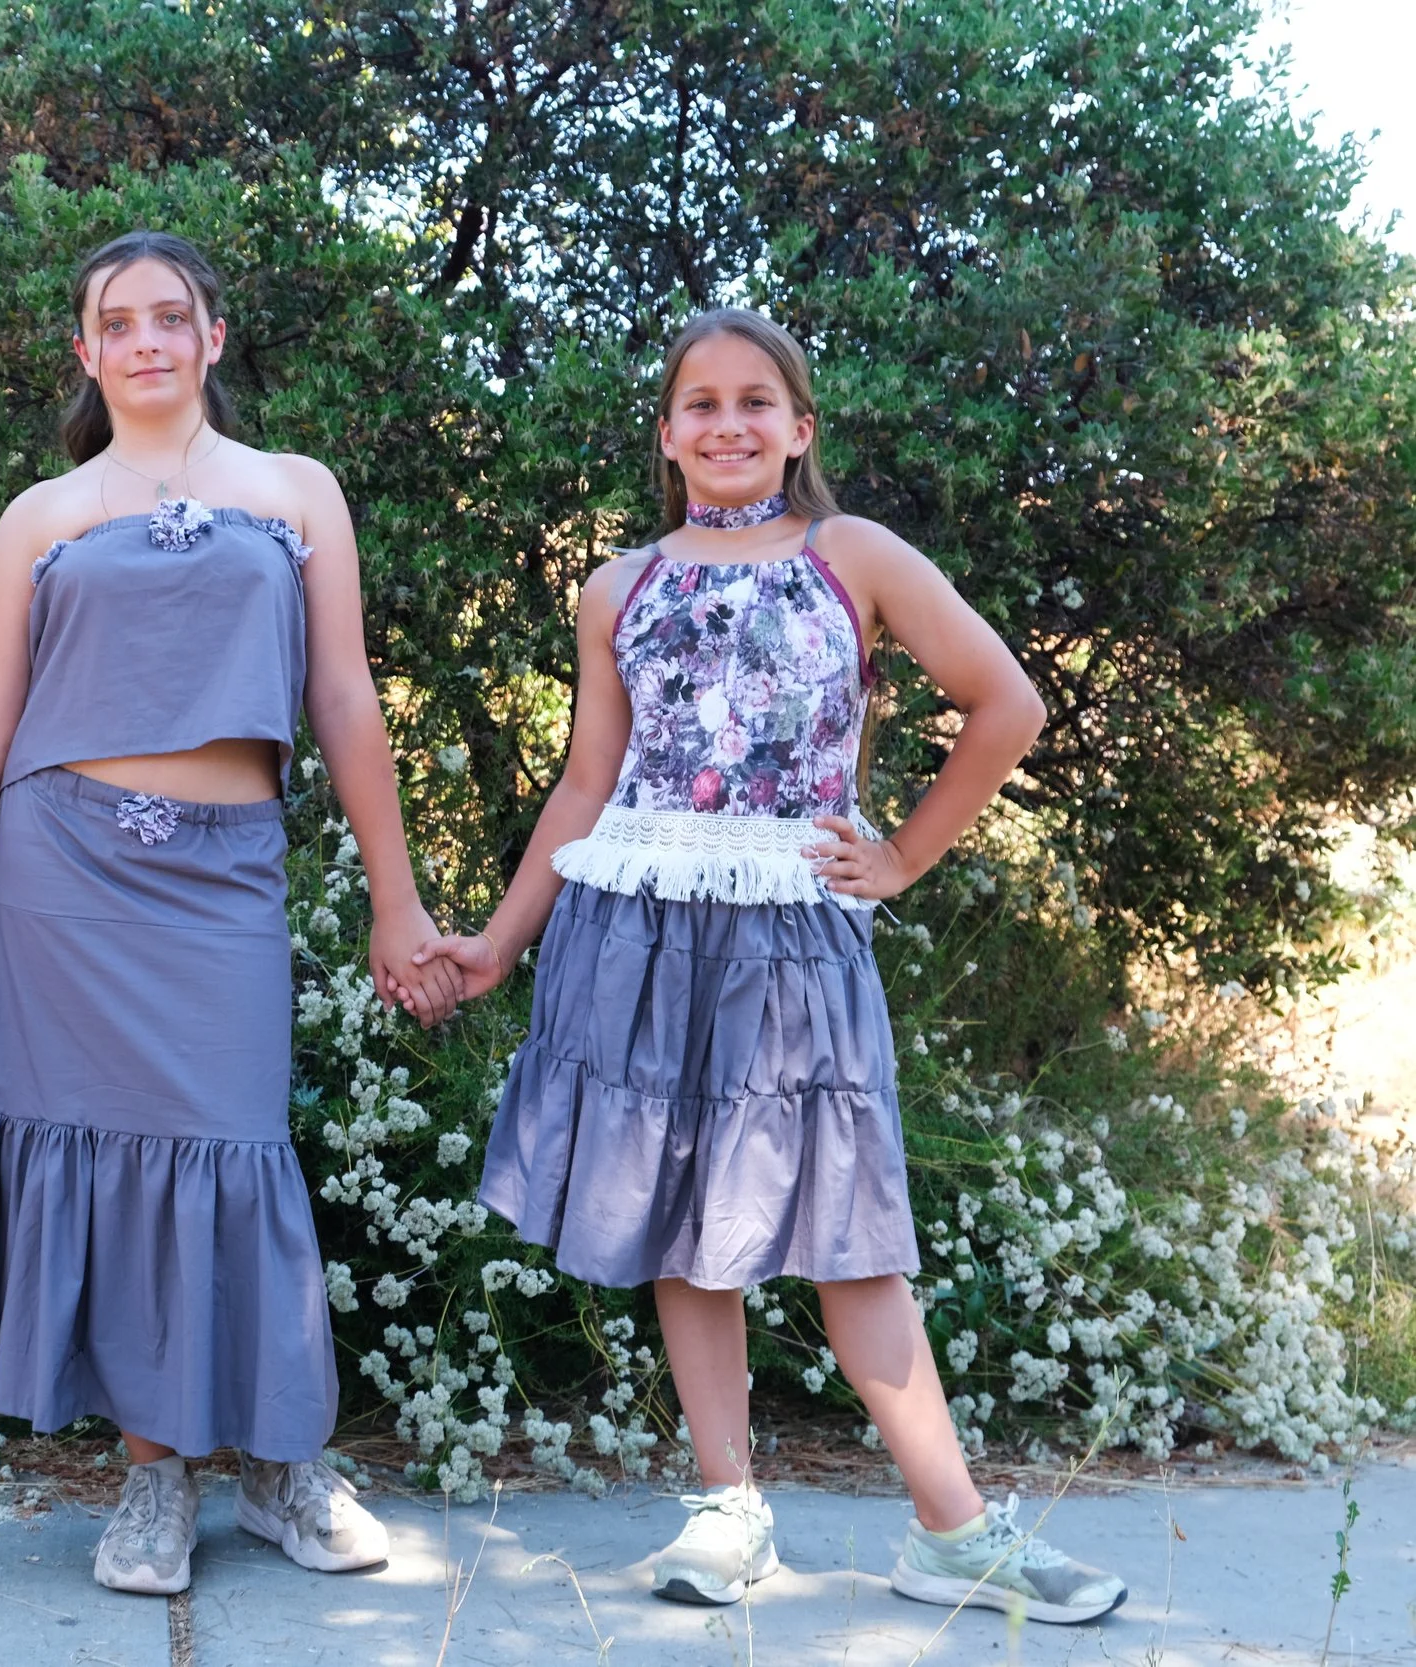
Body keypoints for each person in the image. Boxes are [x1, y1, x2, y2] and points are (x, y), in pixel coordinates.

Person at [415, 307, 1127, 1625]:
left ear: (801, 429)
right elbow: (586, 780)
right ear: (668, 434)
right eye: (701, 403)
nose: (729, 423)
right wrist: (499, 943)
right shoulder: (616, 586)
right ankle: (729, 1509)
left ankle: (953, 1529)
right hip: (634, 933)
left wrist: (904, 854)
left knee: (851, 1234)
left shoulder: (848, 556)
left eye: (758, 402)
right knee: (689, 1227)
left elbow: (1007, 701)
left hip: (791, 932)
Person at [0, 231, 461, 1597]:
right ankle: (153, 1478)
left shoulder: (296, 493)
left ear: (209, 335)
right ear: (86, 352)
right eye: (116, 322)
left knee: (236, 1144)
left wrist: (398, 896)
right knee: (117, 1164)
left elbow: (344, 699)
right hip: (64, 879)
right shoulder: (42, 513)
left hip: (227, 870)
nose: (145, 340)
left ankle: (277, 1464)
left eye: (170, 317)